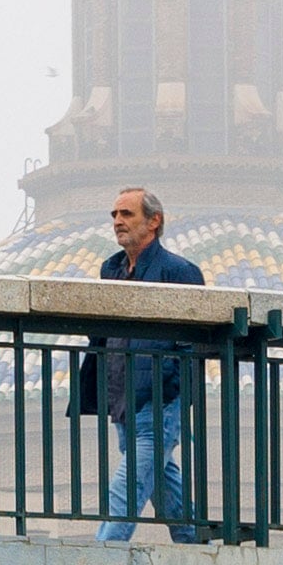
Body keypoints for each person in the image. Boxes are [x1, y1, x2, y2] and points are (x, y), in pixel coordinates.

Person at [83, 185, 203, 543]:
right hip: (122, 399)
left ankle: (101, 557)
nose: (118, 221)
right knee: (161, 481)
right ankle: (195, 545)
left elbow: (194, 340)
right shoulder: (112, 269)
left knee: (129, 484)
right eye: (115, 215)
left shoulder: (179, 271)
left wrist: (170, 387)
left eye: (127, 214)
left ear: (154, 221)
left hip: (158, 401)